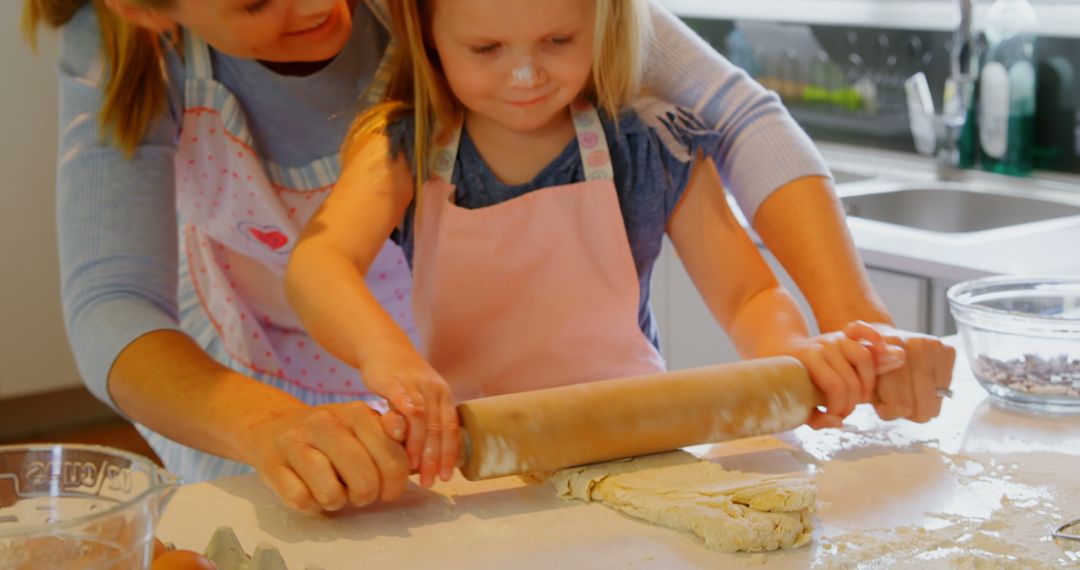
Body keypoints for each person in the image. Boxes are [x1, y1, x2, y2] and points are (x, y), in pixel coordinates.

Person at [23, 0, 952, 512]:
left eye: (554, 43)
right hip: (294, 388)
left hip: (532, 423)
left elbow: (740, 127)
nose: (316, 4)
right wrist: (277, 422)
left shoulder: (635, 134)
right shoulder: (399, 139)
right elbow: (118, 301)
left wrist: (845, 336)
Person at [286, 0, 915, 497]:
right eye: (486, 49)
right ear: (426, 33)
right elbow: (320, 263)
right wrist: (388, 358)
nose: (526, 73)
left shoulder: (650, 144)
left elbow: (747, 291)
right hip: (476, 465)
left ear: (603, 19)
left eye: (558, 41)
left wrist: (790, 351)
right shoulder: (407, 147)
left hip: (638, 453)